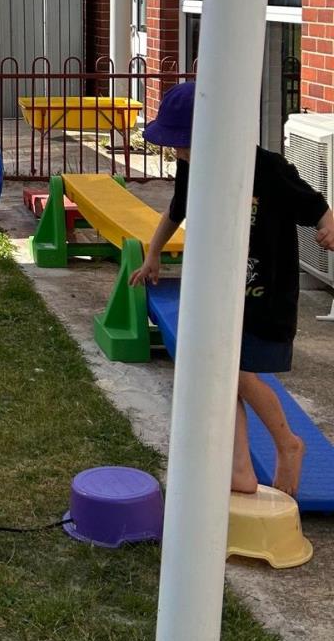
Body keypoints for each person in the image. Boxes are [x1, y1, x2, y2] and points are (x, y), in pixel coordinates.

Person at [131, 82, 334, 496]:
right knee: (220, 381)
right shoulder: (192, 167)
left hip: (266, 293)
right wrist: (153, 255)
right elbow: (176, 211)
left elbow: (317, 207)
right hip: (219, 295)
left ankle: (288, 444)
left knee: (233, 375)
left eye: (182, 143)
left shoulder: (267, 169)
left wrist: (328, 223)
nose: (178, 153)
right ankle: (240, 472)